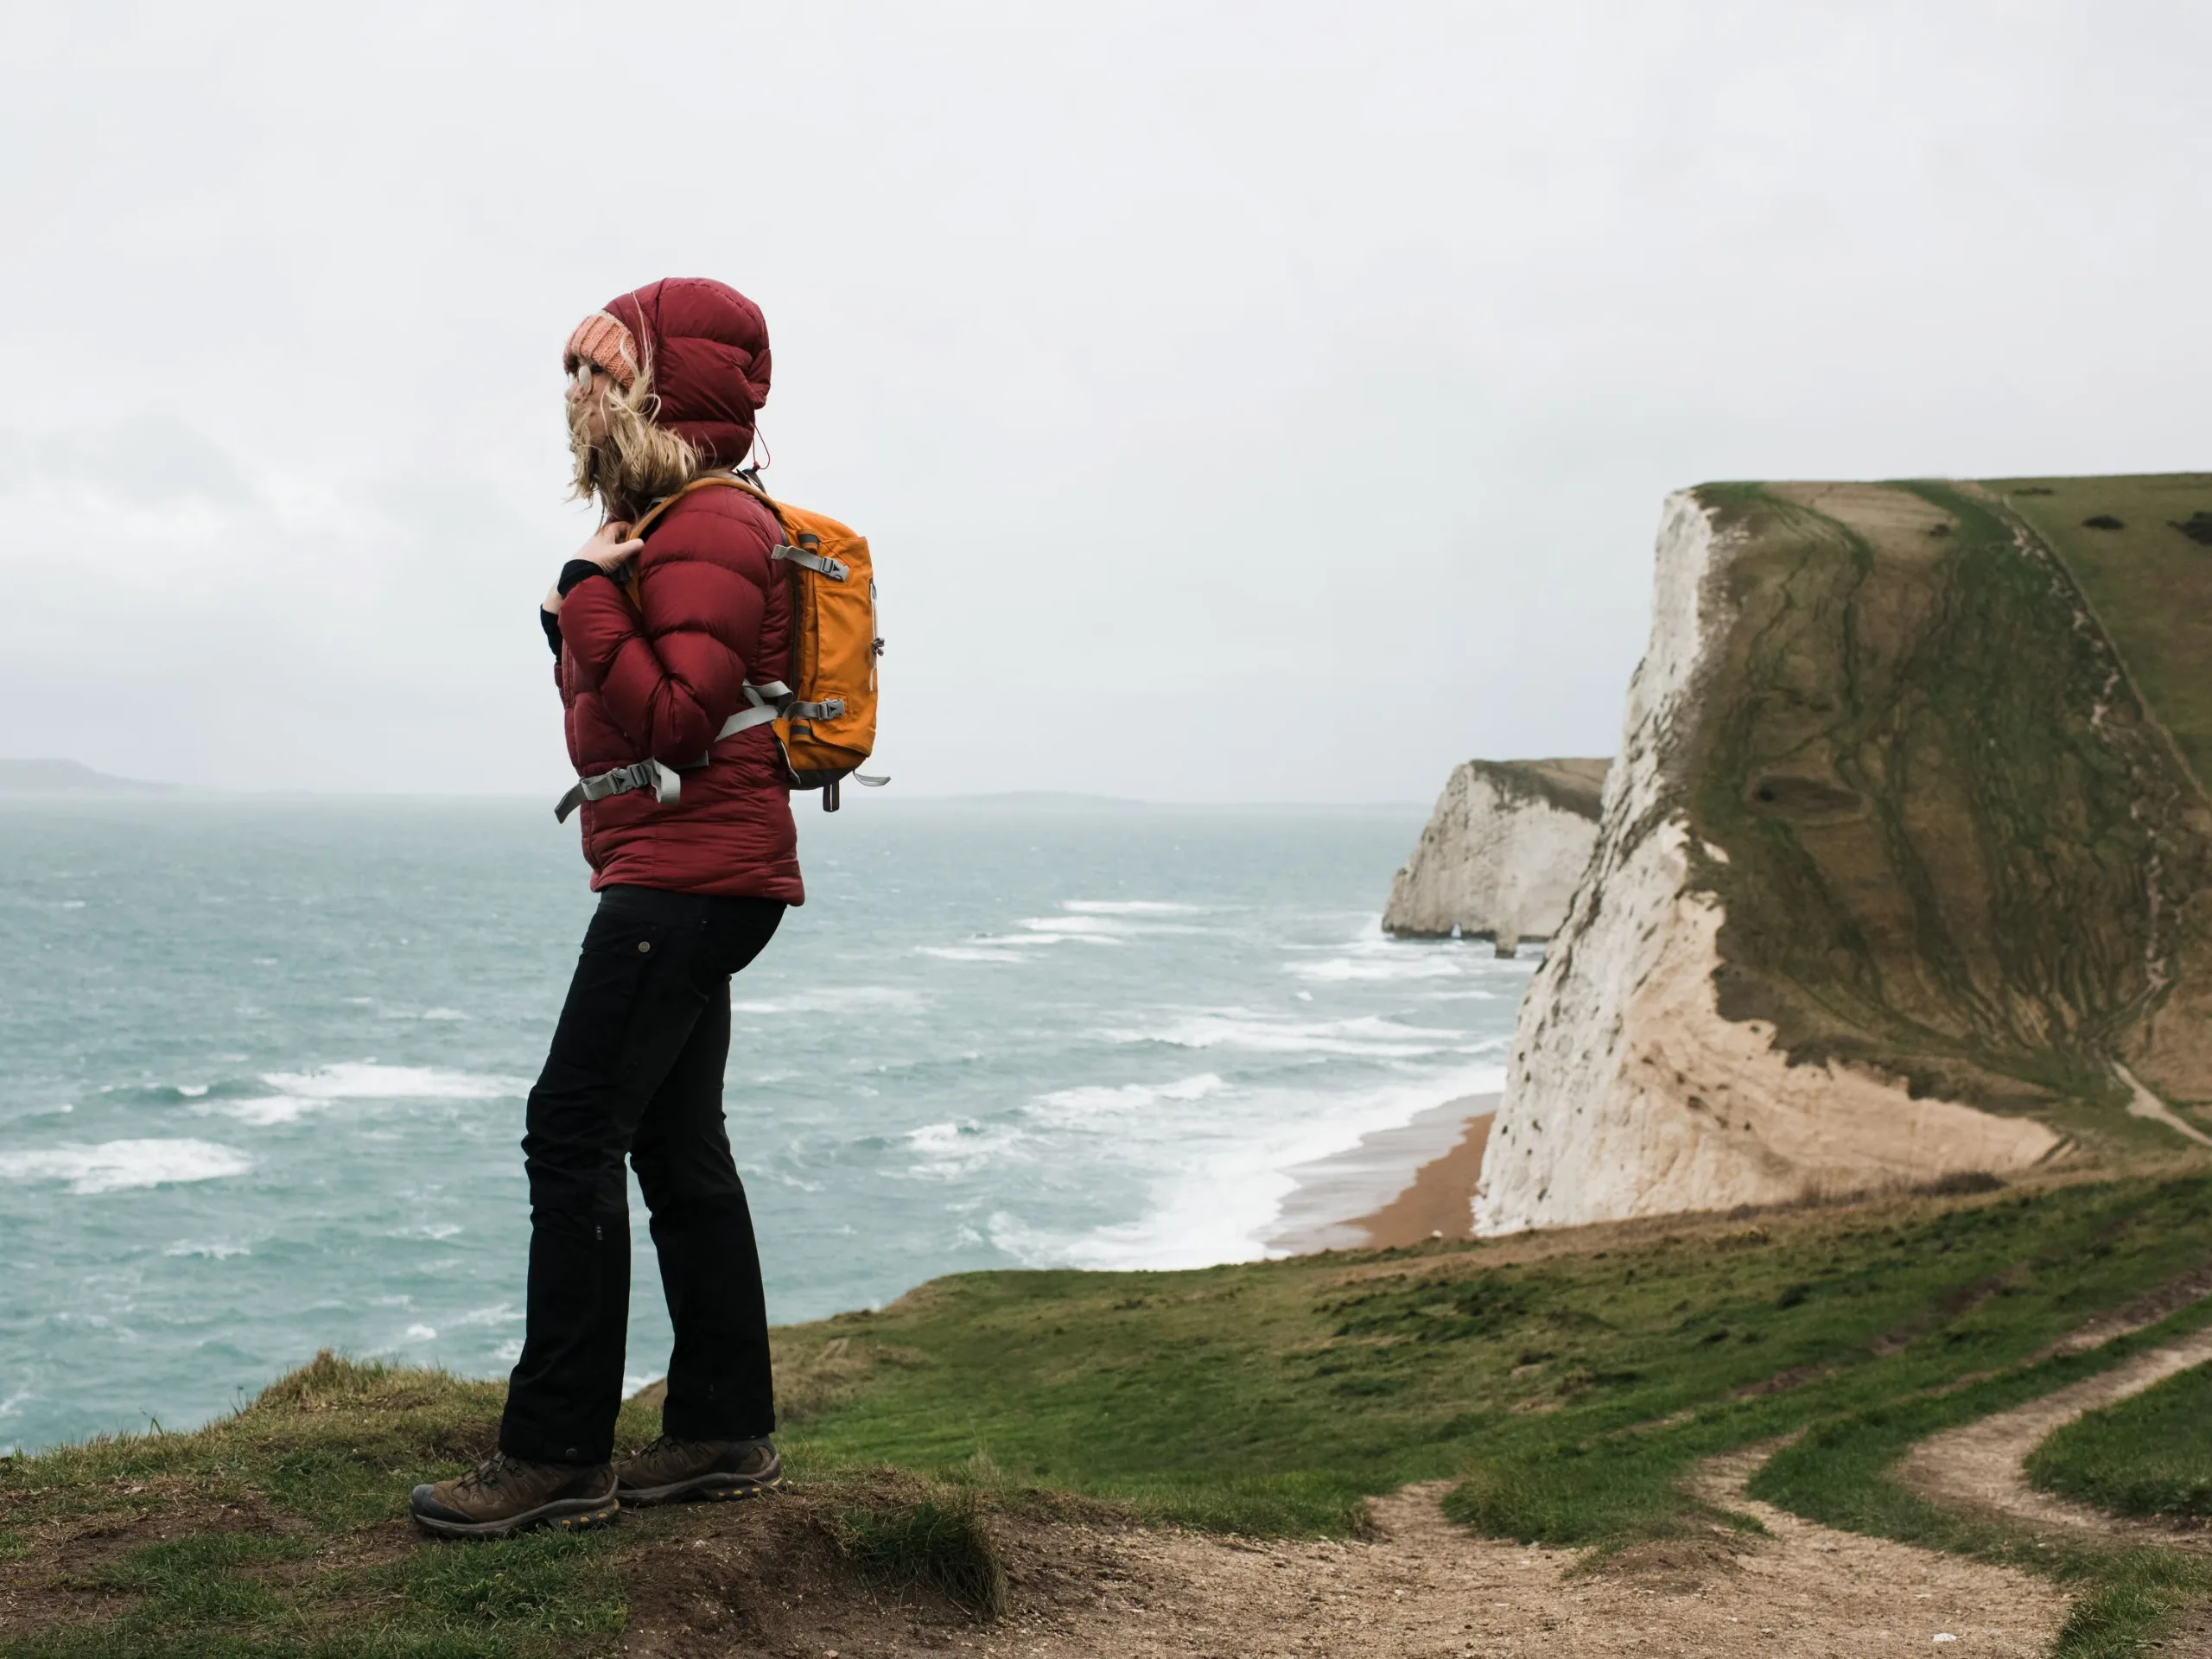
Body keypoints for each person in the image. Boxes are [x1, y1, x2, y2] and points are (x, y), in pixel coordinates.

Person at [411, 278, 803, 1538]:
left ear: (661, 391)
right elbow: (635, 709)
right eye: (572, 373)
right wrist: (571, 608)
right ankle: (723, 1434)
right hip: (696, 876)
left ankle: (560, 1454)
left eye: (601, 372)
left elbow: (679, 723)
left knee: (570, 1128)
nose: (577, 398)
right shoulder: (673, 526)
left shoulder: (711, 527)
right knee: (678, 1150)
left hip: (683, 882)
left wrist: (584, 591)